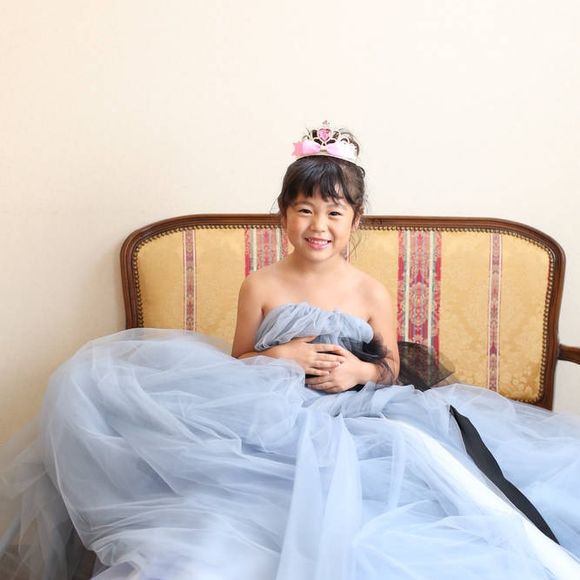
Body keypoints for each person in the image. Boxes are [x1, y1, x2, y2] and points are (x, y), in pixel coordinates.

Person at [1, 122, 580, 580]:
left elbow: (391, 368)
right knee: (93, 386)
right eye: (305, 209)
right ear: (283, 213)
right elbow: (237, 363)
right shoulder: (262, 285)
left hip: (359, 418)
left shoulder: (369, 291)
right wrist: (281, 358)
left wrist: (358, 370)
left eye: (334, 212)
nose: (318, 225)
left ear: (355, 220)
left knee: (422, 496)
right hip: (271, 419)